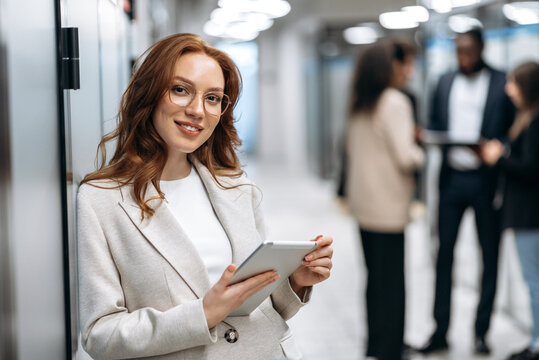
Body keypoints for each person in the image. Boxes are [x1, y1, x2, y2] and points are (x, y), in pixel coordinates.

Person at [76, 33, 334, 360]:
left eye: (213, 98)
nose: (198, 110)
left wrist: (295, 282)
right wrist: (204, 313)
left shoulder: (237, 187)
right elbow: (101, 336)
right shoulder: (101, 199)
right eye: (181, 90)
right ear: (150, 94)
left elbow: (259, 307)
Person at [419, 28, 515, 355]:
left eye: (469, 51)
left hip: (486, 181)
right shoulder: (444, 82)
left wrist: (496, 148)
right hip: (452, 179)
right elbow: (434, 122)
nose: (464, 58)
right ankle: (440, 330)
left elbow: (511, 132)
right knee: (444, 254)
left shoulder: (502, 82)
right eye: (459, 52)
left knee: (489, 255)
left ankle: (481, 332)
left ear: (481, 49)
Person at [345, 41, 425, 360]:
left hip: (364, 205)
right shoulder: (395, 102)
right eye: (405, 64)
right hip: (389, 206)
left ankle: (376, 344)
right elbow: (406, 158)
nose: (409, 71)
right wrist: (420, 148)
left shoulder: (360, 101)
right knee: (393, 282)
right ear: (390, 66)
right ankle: (392, 349)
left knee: (374, 279)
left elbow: (351, 150)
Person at [481, 61, 539, 360]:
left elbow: (531, 169)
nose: (508, 90)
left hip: (529, 215)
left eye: (513, 83)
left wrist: (498, 158)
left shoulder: (534, 121)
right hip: (525, 214)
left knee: (534, 281)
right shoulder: (525, 118)